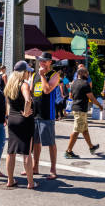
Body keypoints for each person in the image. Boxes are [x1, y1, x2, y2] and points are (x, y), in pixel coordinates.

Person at [5, 61, 35, 189]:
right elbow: (28, 100)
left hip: (12, 119)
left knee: (11, 152)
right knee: (26, 152)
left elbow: (7, 104)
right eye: (28, 71)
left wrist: (8, 116)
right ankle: (31, 182)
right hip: (23, 121)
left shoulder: (10, 85)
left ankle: (10, 180)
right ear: (23, 72)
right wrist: (27, 112)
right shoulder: (24, 85)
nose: (29, 73)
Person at [30, 52, 60, 180]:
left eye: (44, 61)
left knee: (50, 142)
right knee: (36, 143)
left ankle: (53, 169)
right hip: (34, 113)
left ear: (50, 62)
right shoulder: (34, 75)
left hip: (47, 113)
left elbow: (47, 90)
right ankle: (35, 167)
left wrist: (42, 76)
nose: (42, 63)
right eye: (41, 61)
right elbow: (31, 92)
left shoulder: (54, 75)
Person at [64, 67, 103, 158]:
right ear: (82, 73)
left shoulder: (73, 83)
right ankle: (68, 151)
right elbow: (92, 98)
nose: (88, 75)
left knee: (84, 130)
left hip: (76, 109)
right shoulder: (85, 84)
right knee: (76, 130)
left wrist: (70, 107)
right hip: (80, 110)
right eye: (86, 73)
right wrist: (100, 106)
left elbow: (71, 96)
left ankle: (91, 147)